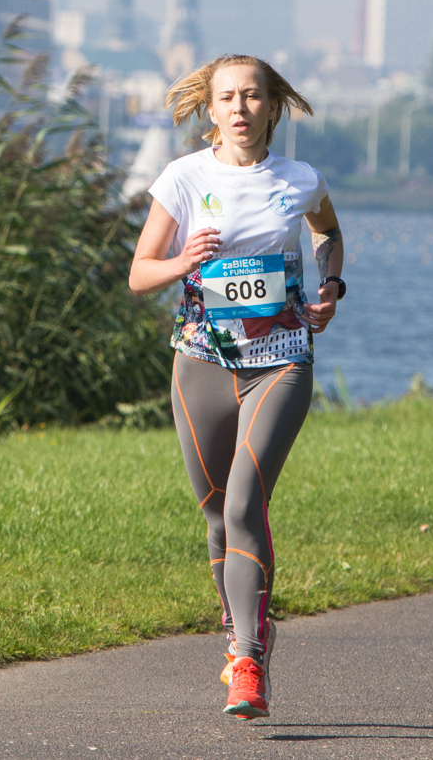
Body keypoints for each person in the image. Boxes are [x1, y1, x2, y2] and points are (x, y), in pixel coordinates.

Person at [129, 54, 346, 720]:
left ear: (273, 106)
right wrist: (182, 260)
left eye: (253, 96)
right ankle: (241, 628)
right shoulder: (184, 178)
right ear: (211, 109)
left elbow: (329, 235)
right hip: (201, 363)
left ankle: (248, 662)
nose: (241, 108)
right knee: (218, 514)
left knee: (248, 499)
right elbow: (140, 272)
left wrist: (331, 287)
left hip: (280, 361)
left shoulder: (299, 179)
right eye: (228, 97)